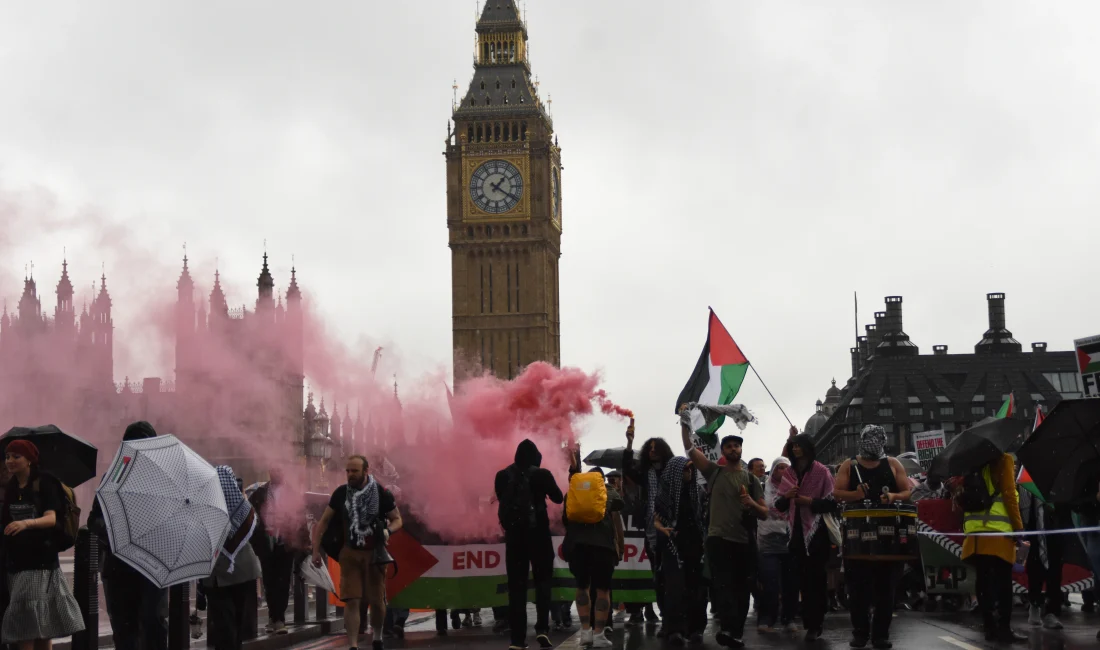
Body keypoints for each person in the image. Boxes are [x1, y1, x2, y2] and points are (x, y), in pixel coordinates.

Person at [680, 414, 767, 649]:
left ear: (741, 449)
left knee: (741, 588)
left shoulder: (751, 479)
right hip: (718, 539)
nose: (732, 449)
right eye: (728, 446)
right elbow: (689, 449)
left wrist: (751, 502)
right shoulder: (713, 472)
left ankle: (735, 633)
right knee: (723, 585)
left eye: (736, 445)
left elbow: (765, 513)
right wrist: (684, 422)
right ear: (723, 451)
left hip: (743, 540)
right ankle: (728, 627)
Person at [87, 421, 168, 650]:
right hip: (119, 565)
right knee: (124, 629)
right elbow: (94, 520)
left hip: (152, 565)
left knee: (153, 623)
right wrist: (117, 529)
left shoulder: (163, 479)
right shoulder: (114, 476)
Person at [312, 455, 403, 650]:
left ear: (366, 471)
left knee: (377, 602)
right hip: (350, 554)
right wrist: (315, 550)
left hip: (375, 555)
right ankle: (353, 645)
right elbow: (324, 522)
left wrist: (387, 530)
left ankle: (377, 637)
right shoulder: (341, 494)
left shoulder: (381, 493)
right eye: (348, 471)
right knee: (352, 600)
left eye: (354, 471)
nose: (350, 475)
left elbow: (397, 519)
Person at [0, 439, 84, 650]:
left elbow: (51, 518)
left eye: (16, 456)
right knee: (39, 622)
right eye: (8, 456)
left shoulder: (45, 482)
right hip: (17, 563)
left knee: (27, 624)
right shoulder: (11, 486)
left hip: (40, 562)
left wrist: (26, 523)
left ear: (29, 460)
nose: (10, 461)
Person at [833, 425, 912, 649]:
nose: (873, 443)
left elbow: (907, 492)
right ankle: (860, 633)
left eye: (877, 439)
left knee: (886, 589)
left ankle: (881, 635)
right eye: (869, 439)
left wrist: (894, 495)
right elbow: (837, 494)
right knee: (858, 589)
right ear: (862, 439)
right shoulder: (850, 465)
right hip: (857, 535)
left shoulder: (893, 464)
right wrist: (856, 494)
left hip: (888, 537)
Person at [495, 439, 564, 650]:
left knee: (517, 589)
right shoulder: (542, 474)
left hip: (514, 539)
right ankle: (542, 629)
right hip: (539, 536)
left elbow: (502, 500)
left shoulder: (502, 475)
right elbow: (558, 498)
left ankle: (517, 640)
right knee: (543, 584)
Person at [776, 431, 837, 643]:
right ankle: (807, 619)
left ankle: (815, 623)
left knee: (816, 579)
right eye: (792, 446)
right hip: (795, 535)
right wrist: (788, 496)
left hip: (817, 533)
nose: (795, 449)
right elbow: (779, 505)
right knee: (801, 579)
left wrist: (809, 501)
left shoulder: (822, 472)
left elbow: (831, 503)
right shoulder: (789, 473)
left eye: (798, 445)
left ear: (807, 447)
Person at [960, 452, 1025, 643]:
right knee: (1004, 582)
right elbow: (1009, 495)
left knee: (983, 580)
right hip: (997, 530)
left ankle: (989, 627)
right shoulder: (1003, 459)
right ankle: (1004, 629)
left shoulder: (973, 461)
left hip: (975, 531)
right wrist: (1018, 527)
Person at [563, 453, 623, 649]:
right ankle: (599, 634)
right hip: (602, 548)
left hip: (577, 546)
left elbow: (565, 519)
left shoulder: (573, 492)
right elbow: (620, 506)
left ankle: (585, 633)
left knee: (582, 587)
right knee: (602, 590)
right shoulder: (608, 491)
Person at [203, 467, 263, 650]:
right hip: (239, 573)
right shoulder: (243, 508)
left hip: (220, 574)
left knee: (227, 625)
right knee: (233, 624)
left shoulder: (209, 506)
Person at [622, 423, 674, 624]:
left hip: (670, 526)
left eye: (656, 448)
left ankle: (670, 616)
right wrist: (629, 443)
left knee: (669, 574)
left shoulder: (672, 469)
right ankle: (662, 614)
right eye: (649, 449)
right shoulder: (645, 472)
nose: (652, 452)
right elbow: (628, 469)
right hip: (651, 528)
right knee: (656, 573)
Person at [653, 456, 707, 646]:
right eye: (685, 469)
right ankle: (674, 629)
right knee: (674, 588)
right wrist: (660, 528)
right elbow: (656, 518)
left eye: (691, 469)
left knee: (696, 588)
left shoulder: (698, 492)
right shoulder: (665, 493)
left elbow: (703, 518)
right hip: (672, 545)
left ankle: (695, 629)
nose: (689, 473)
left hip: (694, 544)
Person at [249, 468, 309, 636]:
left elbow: (301, 518)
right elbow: (252, 518)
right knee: (268, 581)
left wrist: (304, 542)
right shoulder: (260, 493)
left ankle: (279, 619)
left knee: (283, 581)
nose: (276, 472)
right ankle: (273, 616)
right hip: (266, 544)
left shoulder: (292, 493)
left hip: (285, 542)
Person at [1020, 487, 1067, 630]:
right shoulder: (1028, 481)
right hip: (1034, 531)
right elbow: (1024, 511)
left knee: (1055, 572)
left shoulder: (1059, 480)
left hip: (1055, 531)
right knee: (1035, 571)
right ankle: (1034, 604)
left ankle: (1052, 612)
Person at [756, 456, 791, 633]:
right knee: (770, 581)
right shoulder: (763, 488)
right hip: (767, 540)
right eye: (779, 468)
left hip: (789, 540)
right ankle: (766, 618)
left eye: (786, 468)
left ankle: (788, 618)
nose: (783, 472)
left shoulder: (794, 488)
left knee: (789, 582)